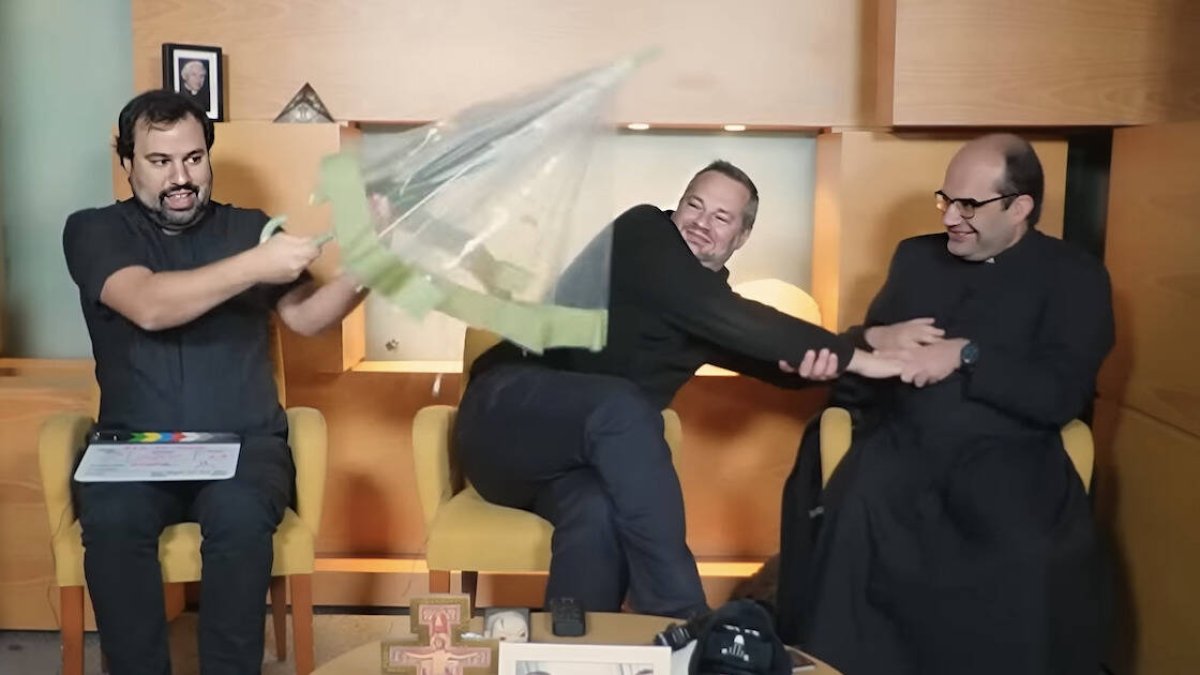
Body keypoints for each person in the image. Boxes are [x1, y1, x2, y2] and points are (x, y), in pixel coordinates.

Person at [454, 160, 903, 619]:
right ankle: (681, 616)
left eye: (721, 217)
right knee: (623, 406)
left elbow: (779, 363)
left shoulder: (708, 309)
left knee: (598, 513)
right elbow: (731, 317)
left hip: (566, 466)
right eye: (694, 205)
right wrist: (863, 358)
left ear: (742, 236)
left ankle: (580, 645)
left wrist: (863, 341)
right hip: (502, 418)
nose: (701, 222)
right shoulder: (642, 233)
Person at [776, 134, 1114, 675]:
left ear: (1020, 207)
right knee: (855, 516)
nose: (951, 217)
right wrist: (872, 338)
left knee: (1025, 548)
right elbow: (864, 366)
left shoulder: (1075, 276)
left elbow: (1061, 394)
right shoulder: (916, 257)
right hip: (904, 444)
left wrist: (967, 355)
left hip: (1009, 456)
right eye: (946, 200)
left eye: (969, 205)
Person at [63, 89, 367, 675]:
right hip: (135, 446)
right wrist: (257, 263)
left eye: (194, 158)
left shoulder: (249, 228)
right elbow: (148, 305)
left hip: (243, 443)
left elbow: (308, 317)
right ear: (126, 162)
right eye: (160, 161)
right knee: (114, 523)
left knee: (240, 516)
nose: (181, 178)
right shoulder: (93, 231)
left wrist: (372, 268)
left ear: (208, 156)